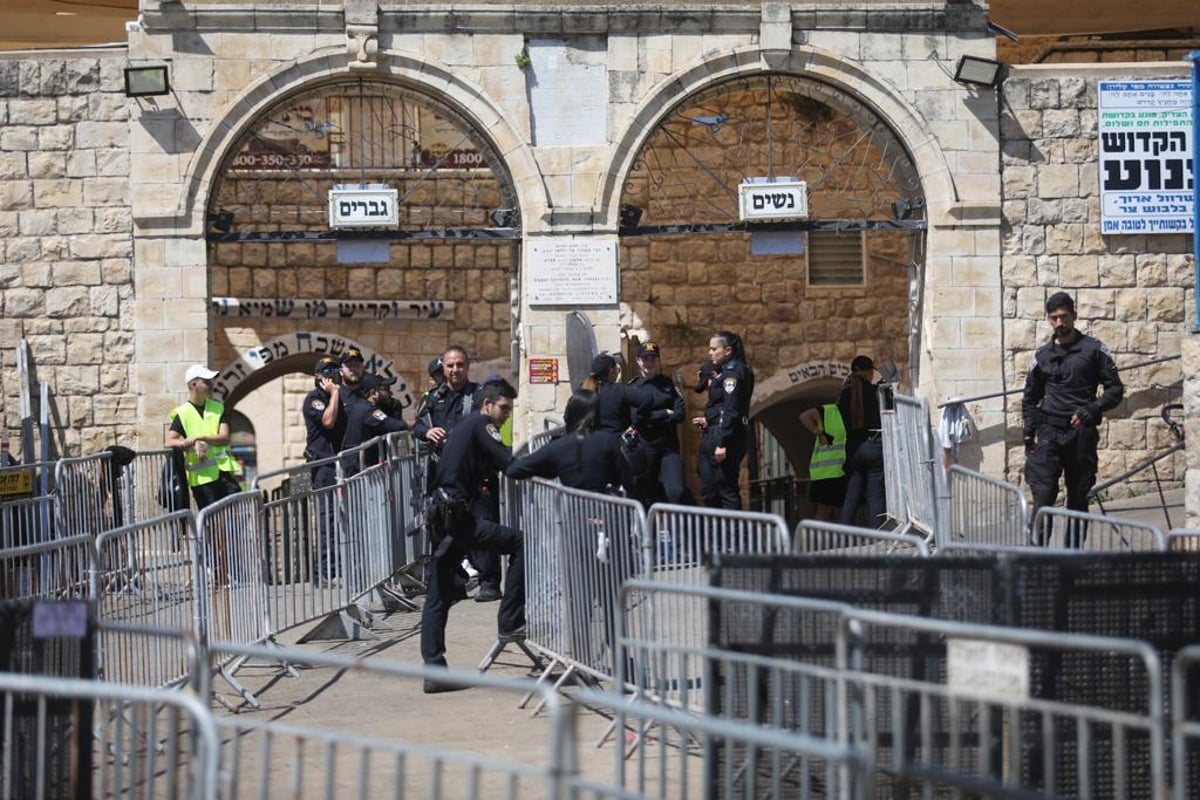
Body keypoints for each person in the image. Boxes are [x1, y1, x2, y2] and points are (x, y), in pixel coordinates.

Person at [420, 378, 524, 693]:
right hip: (456, 519)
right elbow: (510, 464)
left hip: (446, 516)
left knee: (438, 595)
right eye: (503, 408)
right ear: (488, 404)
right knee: (519, 542)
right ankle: (510, 620)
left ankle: (434, 670)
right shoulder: (482, 425)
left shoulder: (466, 427)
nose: (505, 415)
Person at [1023, 291, 1124, 546]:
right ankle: (1036, 559)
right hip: (1049, 434)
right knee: (1044, 497)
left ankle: (1071, 560)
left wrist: (1092, 410)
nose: (1060, 323)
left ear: (1074, 316)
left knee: (1078, 499)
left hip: (1080, 434)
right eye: (1054, 318)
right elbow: (1030, 398)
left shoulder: (1093, 349)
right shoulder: (1042, 356)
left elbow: (1115, 389)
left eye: (1064, 317)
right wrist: (1029, 434)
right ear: (1049, 320)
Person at [413, 345, 501, 601]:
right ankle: (452, 582)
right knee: (442, 528)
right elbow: (417, 424)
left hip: (475, 472)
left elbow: (490, 424)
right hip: (444, 475)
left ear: (467, 366)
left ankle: (489, 582)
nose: (454, 370)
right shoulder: (433, 397)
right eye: (450, 365)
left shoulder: (480, 396)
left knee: (483, 526)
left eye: (459, 365)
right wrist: (426, 433)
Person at [505, 390, 623, 492]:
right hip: (609, 513)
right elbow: (625, 478)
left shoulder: (557, 446)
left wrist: (549, 471)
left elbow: (514, 470)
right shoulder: (609, 440)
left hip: (574, 514)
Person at [691, 331, 754, 509]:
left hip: (723, 436)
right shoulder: (725, 371)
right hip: (714, 431)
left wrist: (722, 441)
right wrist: (708, 421)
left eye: (713, 349)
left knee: (725, 488)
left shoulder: (732, 373)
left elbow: (731, 408)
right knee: (709, 489)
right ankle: (714, 535)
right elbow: (722, 408)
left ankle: (731, 535)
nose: (710, 353)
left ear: (727, 350)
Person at [164, 364, 241, 509]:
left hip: (224, 473)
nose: (212, 385)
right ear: (194, 384)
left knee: (235, 515)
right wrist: (190, 442)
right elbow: (169, 442)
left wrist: (200, 438)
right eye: (207, 382)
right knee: (212, 521)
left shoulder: (218, 407)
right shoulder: (183, 413)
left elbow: (224, 437)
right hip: (202, 479)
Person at [626, 341, 690, 505]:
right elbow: (637, 419)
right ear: (638, 361)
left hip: (668, 447)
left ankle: (673, 528)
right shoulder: (633, 388)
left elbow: (680, 413)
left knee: (675, 491)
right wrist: (665, 413)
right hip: (646, 447)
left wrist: (653, 417)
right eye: (645, 358)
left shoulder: (667, 384)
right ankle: (648, 529)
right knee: (646, 493)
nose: (649, 362)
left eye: (653, 358)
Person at [302, 356, 346, 582]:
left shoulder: (341, 396)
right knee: (327, 520)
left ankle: (341, 567)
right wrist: (335, 394)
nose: (332, 375)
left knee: (344, 519)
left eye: (334, 370)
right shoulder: (314, 399)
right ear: (318, 376)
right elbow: (327, 421)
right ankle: (324, 572)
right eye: (326, 371)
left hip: (341, 465)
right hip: (323, 467)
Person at [837, 356, 887, 528]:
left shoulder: (844, 395)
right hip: (874, 446)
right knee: (876, 495)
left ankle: (843, 536)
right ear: (869, 372)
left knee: (852, 496)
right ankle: (877, 537)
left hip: (854, 449)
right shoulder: (875, 391)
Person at [799, 403, 848, 521]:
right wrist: (818, 432)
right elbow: (804, 416)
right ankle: (821, 538)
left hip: (840, 470)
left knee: (838, 511)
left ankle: (836, 538)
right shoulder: (830, 411)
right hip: (825, 472)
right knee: (825, 511)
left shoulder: (851, 414)